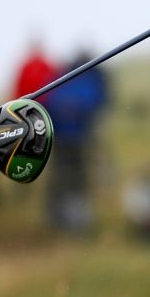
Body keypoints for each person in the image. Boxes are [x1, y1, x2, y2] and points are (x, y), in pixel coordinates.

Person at [45, 49, 109, 233]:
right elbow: (95, 102)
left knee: (72, 179)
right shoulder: (82, 80)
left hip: (74, 140)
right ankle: (62, 217)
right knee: (68, 180)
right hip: (66, 140)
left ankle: (73, 219)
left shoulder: (61, 81)